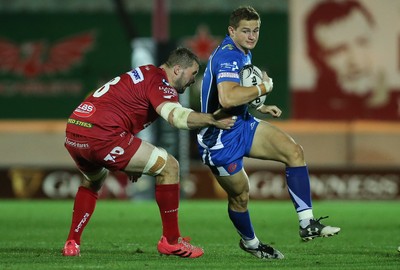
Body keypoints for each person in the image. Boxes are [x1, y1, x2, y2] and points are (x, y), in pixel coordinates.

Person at [62, 47, 236, 258]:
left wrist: (130, 159)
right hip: (103, 135)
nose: (192, 80)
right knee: (170, 167)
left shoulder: (145, 72)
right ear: (178, 69)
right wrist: (212, 119)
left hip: (75, 130)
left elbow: (119, 109)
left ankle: (72, 242)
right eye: (193, 73)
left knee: (93, 182)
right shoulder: (161, 83)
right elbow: (176, 117)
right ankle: (171, 241)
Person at [197, 6, 340, 260]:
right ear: (232, 31)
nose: (252, 36)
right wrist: (264, 86)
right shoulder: (228, 56)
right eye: (245, 31)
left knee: (294, 152)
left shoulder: (243, 52)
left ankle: (307, 223)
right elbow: (228, 97)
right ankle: (251, 243)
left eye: (256, 30)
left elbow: (238, 93)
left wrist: (259, 104)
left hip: (242, 123)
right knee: (240, 196)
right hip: (219, 138)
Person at [294, 0, 398, 120]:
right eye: (337, 51)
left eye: (363, 42)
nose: (355, 60)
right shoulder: (303, 112)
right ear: (315, 58)